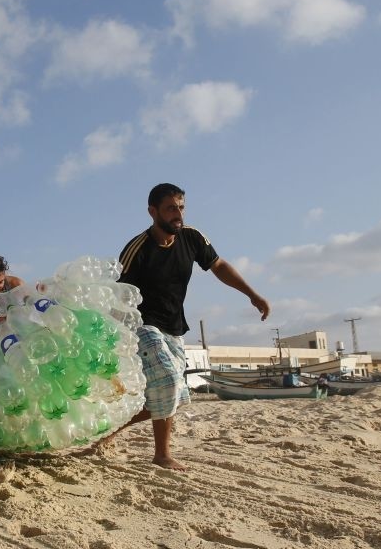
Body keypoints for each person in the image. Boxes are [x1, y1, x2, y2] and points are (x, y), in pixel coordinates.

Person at [109, 183, 270, 470]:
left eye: (181, 207)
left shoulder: (193, 238)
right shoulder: (137, 249)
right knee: (169, 382)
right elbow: (116, 295)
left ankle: (107, 431)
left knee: (172, 395)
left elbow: (218, 266)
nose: (178, 214)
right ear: (153, 211)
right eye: (171, 208)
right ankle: (162, 455)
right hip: (141, 325)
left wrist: (252, 295)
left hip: (174, 326)